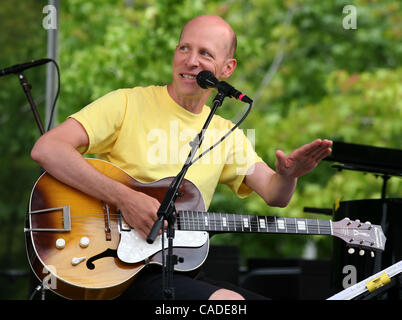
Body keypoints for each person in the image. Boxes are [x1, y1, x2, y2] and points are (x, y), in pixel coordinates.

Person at [31, 14, 332, 300]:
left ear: (227, 69)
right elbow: (48, 149)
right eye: (184, 48)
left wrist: (289, 175)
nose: (191, 61)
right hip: (106, 265)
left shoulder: (228, 133)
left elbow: (274, 194)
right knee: (226, 302)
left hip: (167, 270)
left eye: (205, 54)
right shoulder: (126, 103)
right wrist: (126, 199)